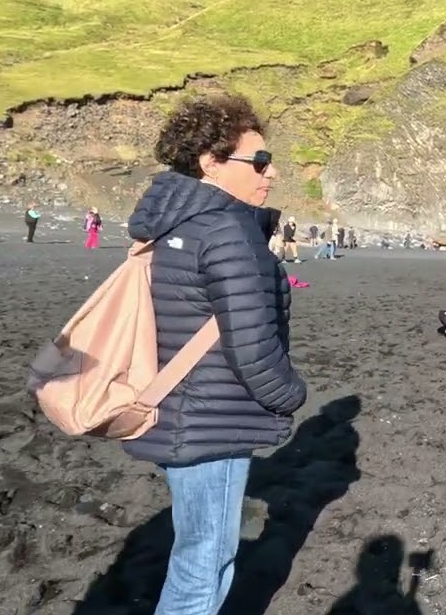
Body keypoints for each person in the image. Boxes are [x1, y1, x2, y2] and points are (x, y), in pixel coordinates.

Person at [127, 93, 307, 614]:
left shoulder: (173, 222)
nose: (271, 172)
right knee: (203, 563)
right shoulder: (227, 229)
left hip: (171, 408)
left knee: (194, 549)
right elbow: (252, 347)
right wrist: (292, 395)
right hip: (212, 420)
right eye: (259, 161)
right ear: (210, 162)